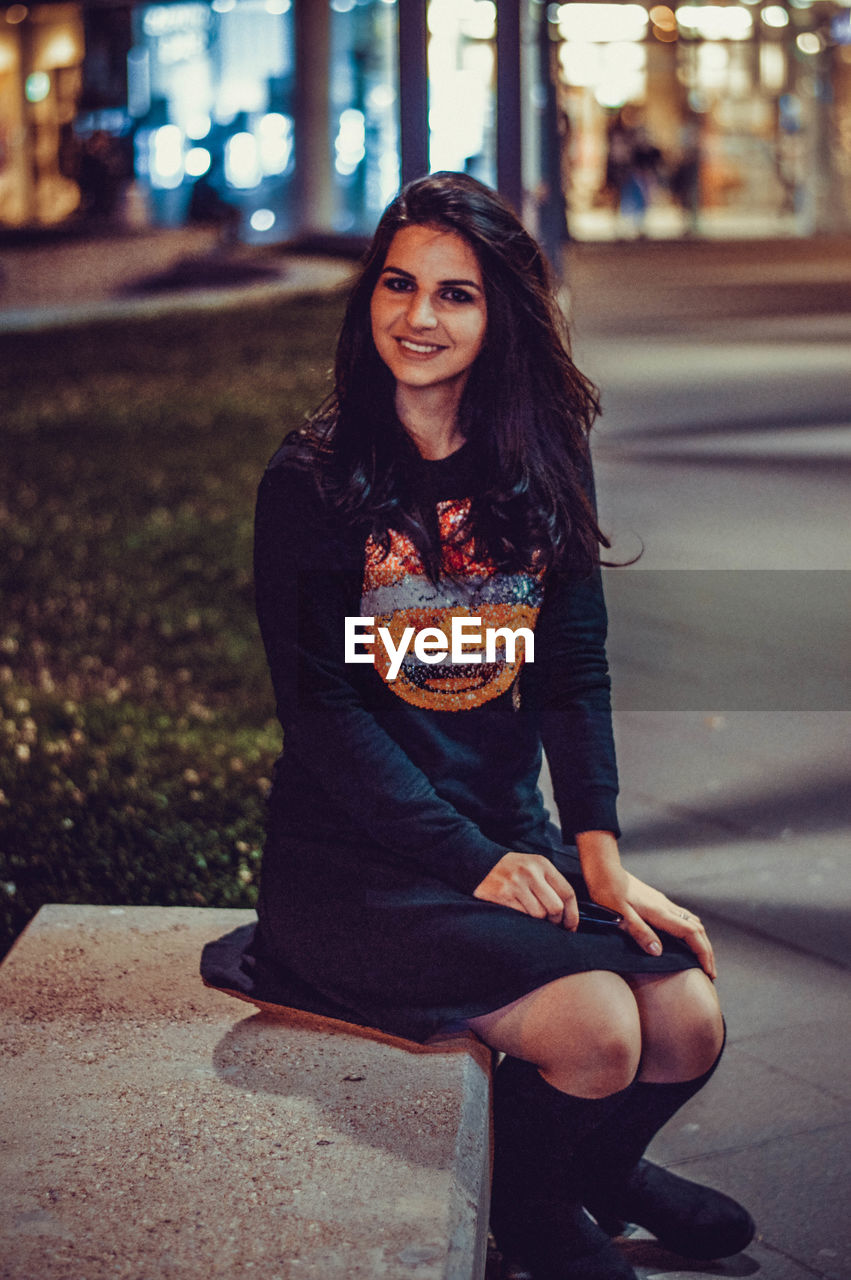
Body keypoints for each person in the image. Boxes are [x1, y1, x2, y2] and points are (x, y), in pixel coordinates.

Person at [201, 172, 755, 1280]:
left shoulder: (537, 458)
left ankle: (593, 1171)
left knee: (688, 1009)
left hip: (505, 834)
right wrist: (477, 862)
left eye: (455, 295)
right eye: (398, 285)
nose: (418, 317)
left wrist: (598, 858)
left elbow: (571, 663)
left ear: (501, 311)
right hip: (357, 868)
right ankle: (530, 1207)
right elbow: (324, 719)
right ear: (369, 299)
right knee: (601, 1027)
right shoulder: (311, 481)